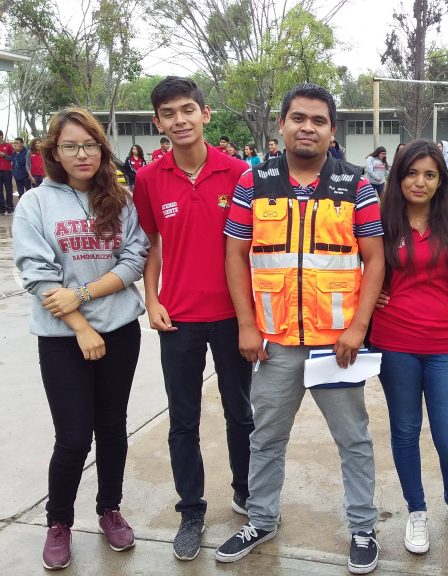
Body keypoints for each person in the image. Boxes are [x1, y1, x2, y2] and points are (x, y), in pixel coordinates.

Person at [216, 82, 385, 575]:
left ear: (332, 131)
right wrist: (247, 325)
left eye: (318, 120)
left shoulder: (357, 184)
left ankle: (362, 526)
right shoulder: (253, 181)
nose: (307, 127)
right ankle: (262, 519)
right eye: (298, 118)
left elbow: (373, 261)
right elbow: (235, 254)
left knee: (353, 439)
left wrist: (357, 327)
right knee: (265, 438)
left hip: (337, 345)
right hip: (274, 343)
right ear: (282, 124)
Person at [13, 107, 149, 570]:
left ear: (102, 149)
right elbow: (36, 273)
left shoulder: (121, 200)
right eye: (71, 146)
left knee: (112, 428)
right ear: (54, 152)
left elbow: (134, 260)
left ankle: (109, 509)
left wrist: (85, 295)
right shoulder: (35, 203)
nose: (82, 154)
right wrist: (82, 326)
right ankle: (58, 522)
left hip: (120, 330)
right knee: (72, 436)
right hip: (61, 338)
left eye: (90, 144)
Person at [133, 76, 255, 562]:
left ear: (205, 115)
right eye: (168, 114)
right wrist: (152, 298)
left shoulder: (240, 174)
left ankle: (246, 493)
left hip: (231, 317)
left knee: (240, 413)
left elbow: (251, 248)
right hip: (177, 318)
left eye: (187, 110)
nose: (179, 120)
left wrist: (253, 316)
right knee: (182, 419)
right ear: (158, 122)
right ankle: (191, 511)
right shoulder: (148, 179)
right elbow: (150, 244)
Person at [371, 139, 448, 555]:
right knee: (405, 430)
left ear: (441, 181)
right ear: (398, 177)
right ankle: (416, 510)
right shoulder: (380, 223)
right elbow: (359, 268)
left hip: (445, 347)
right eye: (412, 173)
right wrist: (373, 292)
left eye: (430, 174)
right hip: (394, 343)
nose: (420, 182)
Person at [0, 130, 15, 214]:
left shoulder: (8, 146)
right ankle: (1, 207)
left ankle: (9, 207)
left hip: (7, 171)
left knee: (9, 189)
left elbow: (13, 158)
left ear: (1, 136)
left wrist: (4, 155)